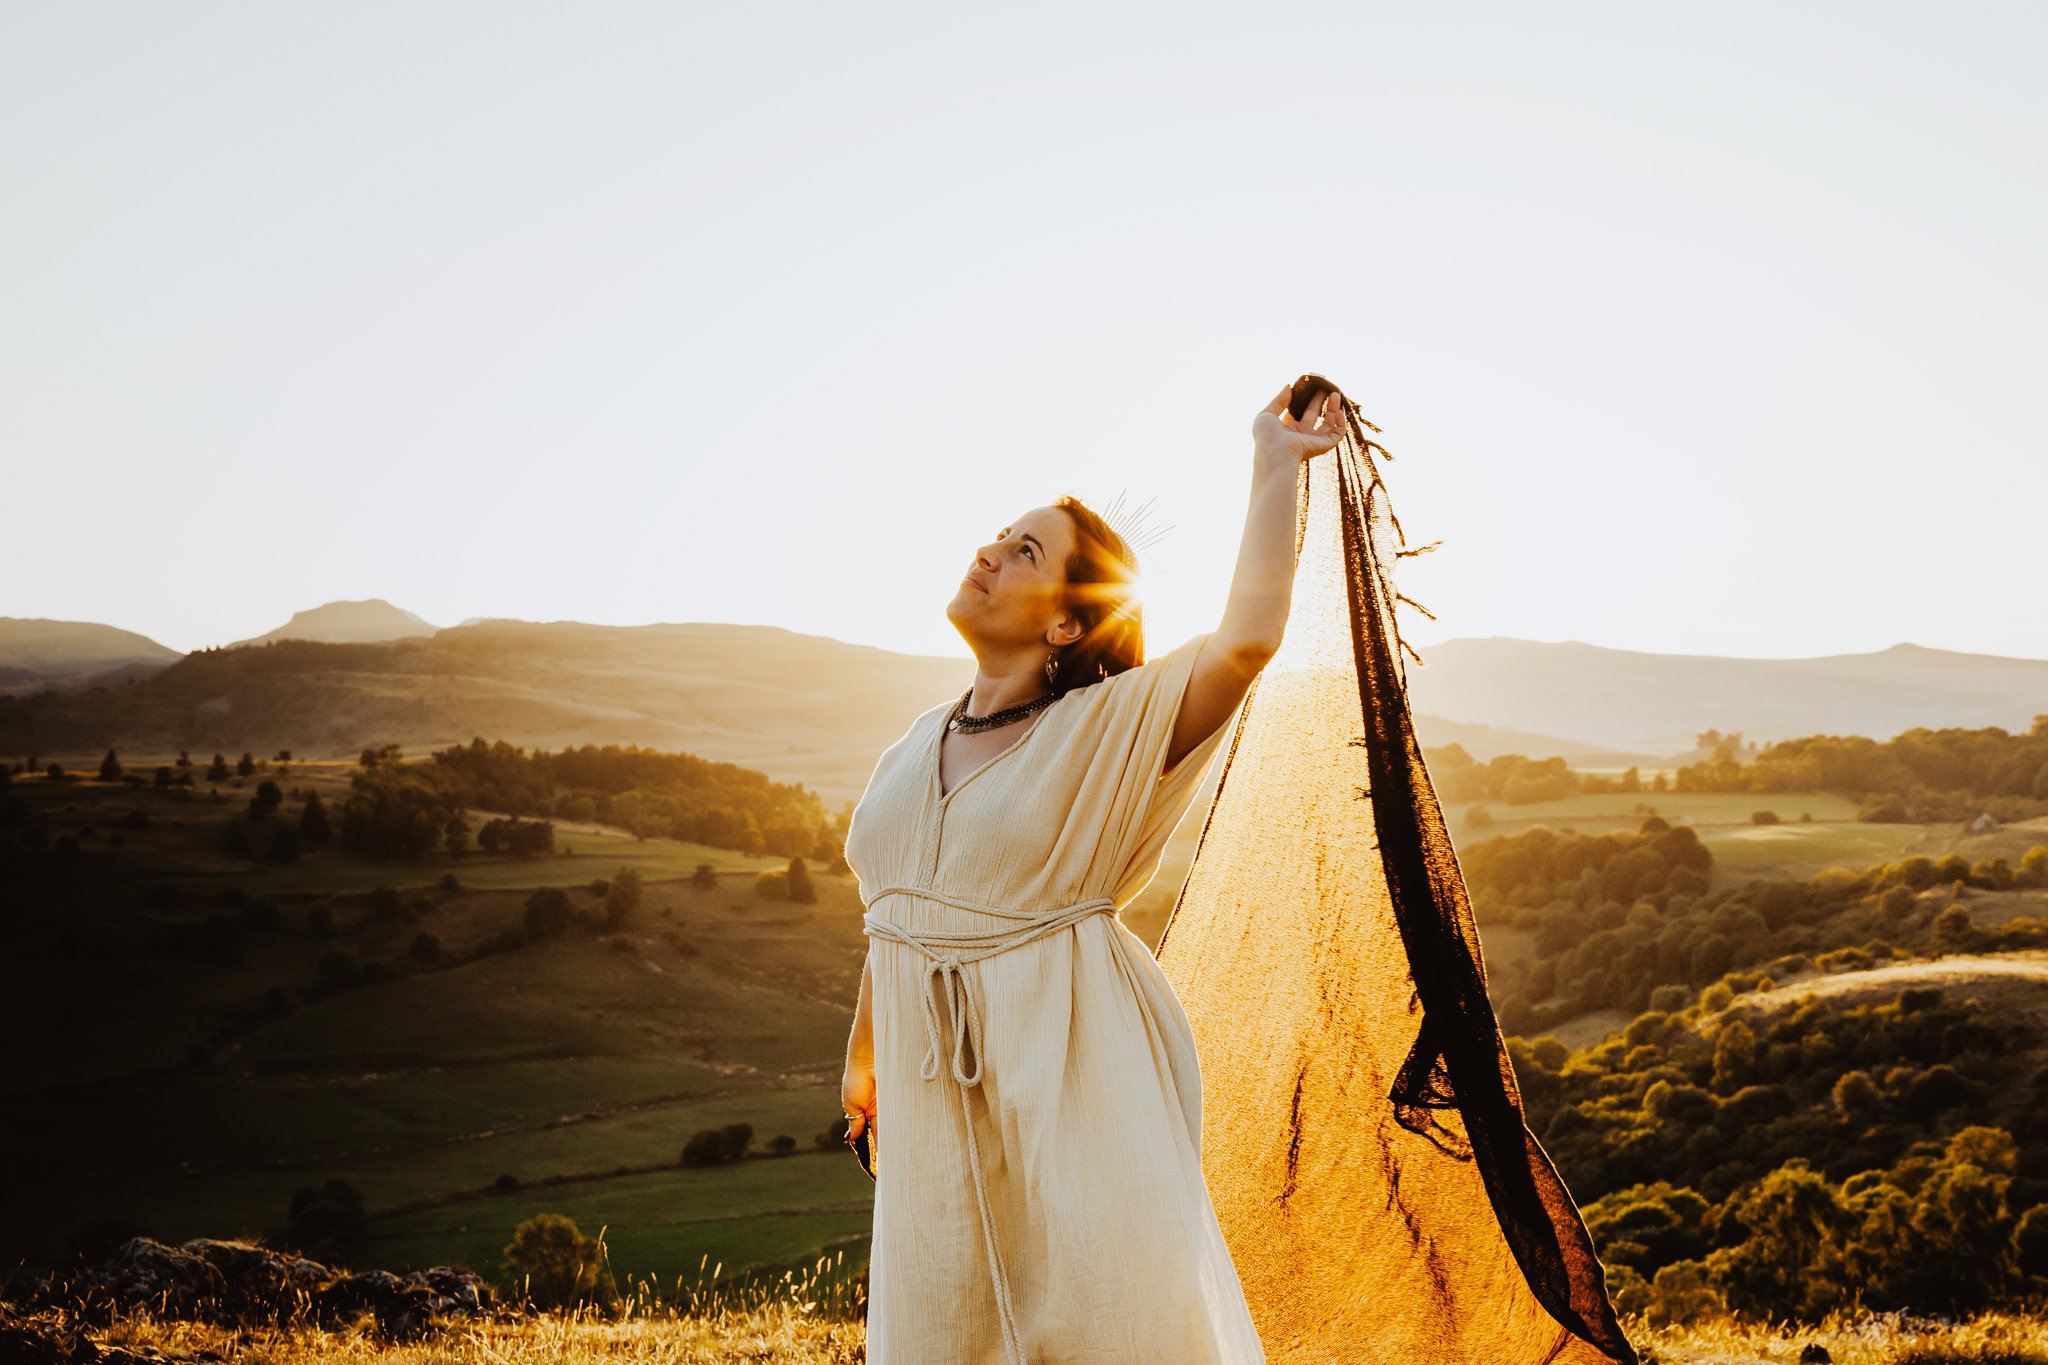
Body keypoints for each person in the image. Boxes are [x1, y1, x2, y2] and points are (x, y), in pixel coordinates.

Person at [839, 380, 1348, 1364]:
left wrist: (1270, 461)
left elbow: (1245, 643)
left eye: (1024, 550)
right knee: (948, 1331)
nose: (988, 551)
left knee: (1109, 1326)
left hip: (1071, 1065)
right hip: (929, 1083)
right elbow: (895, 913)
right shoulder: (914, 741)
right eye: (996, 534)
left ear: (1070, 626)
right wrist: (863, 1057)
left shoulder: (1104, 729)